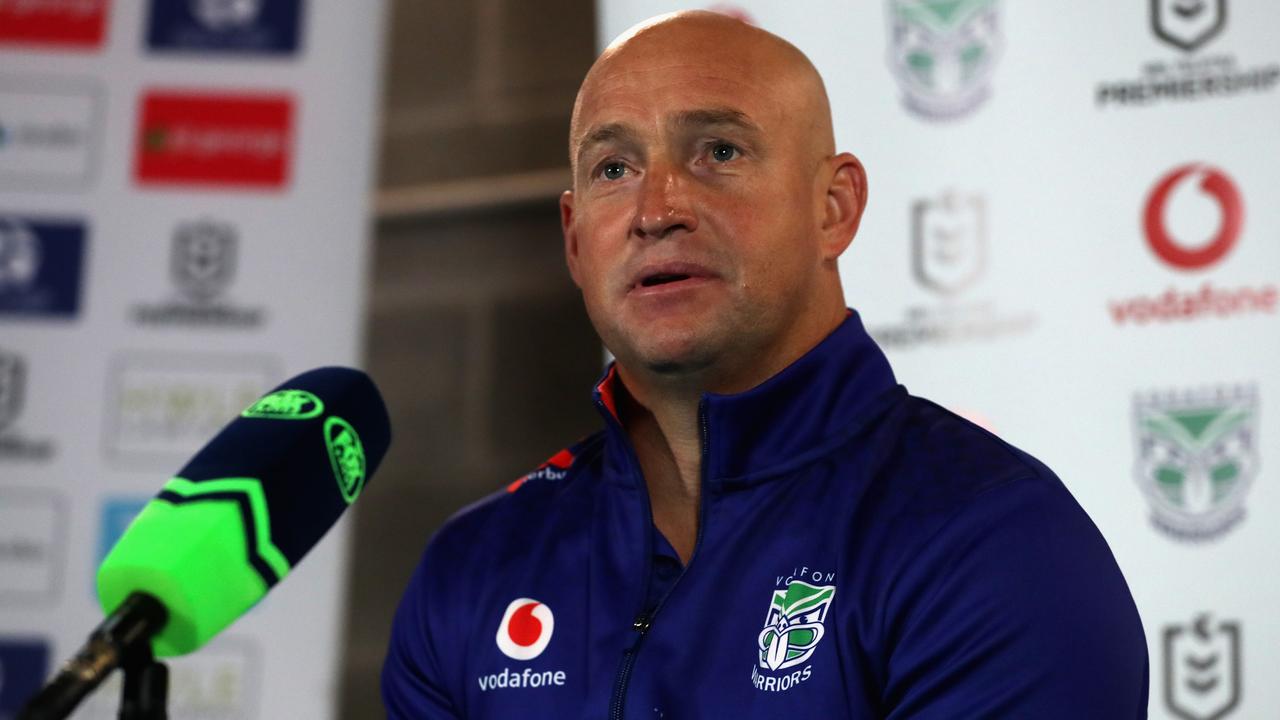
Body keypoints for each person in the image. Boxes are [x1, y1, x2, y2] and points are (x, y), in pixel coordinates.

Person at [383, 11, 1148, 718]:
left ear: (834, 208)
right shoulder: (473, 570)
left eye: (719, 151)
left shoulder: (993, 540)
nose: (657, 210)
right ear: (576, 238)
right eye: (613, 168)